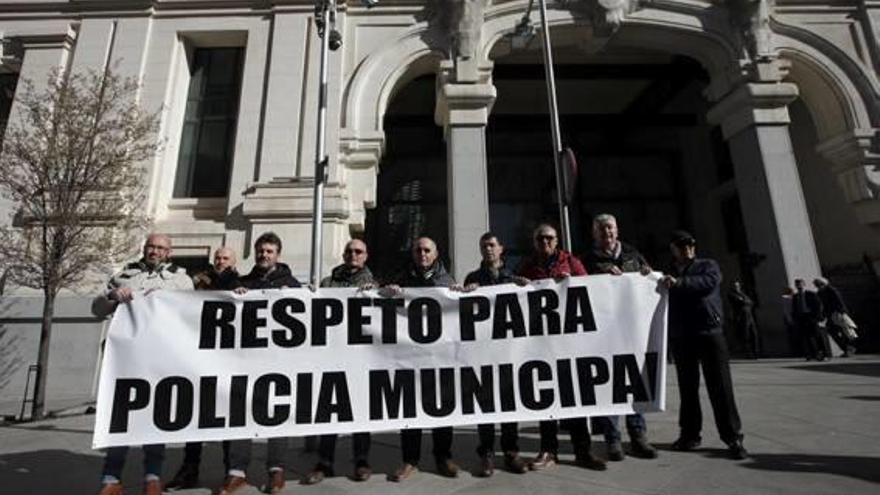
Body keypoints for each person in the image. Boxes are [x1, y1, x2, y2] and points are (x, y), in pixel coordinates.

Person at [92, 234, 195, 495]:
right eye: (151, 246)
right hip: (125, 361)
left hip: (160, 359)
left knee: (155, 419)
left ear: (169, 252)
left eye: (161, 248)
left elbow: (191, 315)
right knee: (120, 419)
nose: (155, 251)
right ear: (144, 248)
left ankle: (152, 477)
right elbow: (97, 309)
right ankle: (111, 478)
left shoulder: (181, 280)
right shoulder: (124, 275)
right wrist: (113, 296)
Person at [517, 224, 606, 471]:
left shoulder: (571, 262)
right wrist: (520, 285)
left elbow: (590, 288)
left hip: (570, 344)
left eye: (549, 237)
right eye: (540, 238)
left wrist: (572, 282)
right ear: (534, 242)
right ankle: (548, 450)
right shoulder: (527, 266)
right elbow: (514, 293)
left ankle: (583, 451)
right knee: (546, 400)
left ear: (556, 241)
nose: (545, 241)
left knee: (574, 397)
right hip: (542, 345)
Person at [221, 233, 300, 495]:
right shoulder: (242, 282)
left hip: (279, 363)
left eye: (269, 251)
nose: (264, 255)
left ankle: (276, 470)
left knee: (276, 414)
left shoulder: (291, 284)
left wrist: (302, 297)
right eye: (260, 251)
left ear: (278, 254)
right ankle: (237, 472)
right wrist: (236, 297)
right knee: (240, 412)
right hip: (245, 361)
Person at [661, 230, 747, 460]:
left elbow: (708, 283)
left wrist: (679, 283)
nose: (687, 249)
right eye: (681, 245)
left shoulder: (708, 265)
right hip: (683, 335)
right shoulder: (667, 271)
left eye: (690, 245)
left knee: (720, 387)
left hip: (709, 332)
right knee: (687, 389)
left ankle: (733, 437)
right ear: (673, 249)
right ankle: (689, 434)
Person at [582, 214, 658, 461]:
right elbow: (579, 290)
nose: (607, 232)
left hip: (632, 332)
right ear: (595, 234)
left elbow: (649, 279)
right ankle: (612, 440)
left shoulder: (632, 254)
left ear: (617, 229)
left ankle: (638, 437)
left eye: (610, 227)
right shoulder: (588, 259)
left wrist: (647, 275)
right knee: (609, 387)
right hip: (604, 334)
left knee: (634, 384)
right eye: (602, 229)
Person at [165, 247, 242, 491]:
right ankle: (189, 468)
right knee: (196, 415)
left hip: (230, 359)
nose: (220, 261)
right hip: (198, 358)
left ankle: (232, 470)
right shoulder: (196, 281)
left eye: (225, 258)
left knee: (231, 416)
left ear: (234, 262)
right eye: (218, 257)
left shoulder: (241, 282)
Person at [385, 236, 461, 482]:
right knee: (410, 408)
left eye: (427, 250)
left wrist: (463, 294)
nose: (422, 254)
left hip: (439, 356)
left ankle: (443, 456)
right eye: (418, 250)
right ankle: (410, 460)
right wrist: (389, 291)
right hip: (410, 356)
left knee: (441, 407)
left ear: (436, 254)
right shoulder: (402, 277)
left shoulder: (446, 281)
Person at [302, 239, 375, 485]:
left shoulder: (374, 284)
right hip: (332, 357)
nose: (353, 255)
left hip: (361, 358)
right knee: (328, 410)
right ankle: (325, 462)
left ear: (366, 256)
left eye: (358, 251)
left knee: (361, 411)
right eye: (349, 251)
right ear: (343, 255)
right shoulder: (328, 283)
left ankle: (362, 460)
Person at [462, 232, 529, 477]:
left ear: (501, 248)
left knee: (509, 404)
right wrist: (466, 293)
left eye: (492, 245)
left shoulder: (514, 277)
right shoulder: (473, 277)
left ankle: (511, 452)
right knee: (487, 404)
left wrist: (527, 288)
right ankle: (487, 453)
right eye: (483, 246)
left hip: (509, 352)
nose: (488, 249)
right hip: (484, 352)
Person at [814, 277, 857, 357]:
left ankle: (850, 348)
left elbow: (839, 301)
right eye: (816, 285)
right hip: (830, 315)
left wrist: (843, 312)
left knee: (846, 331)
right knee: (832, 331)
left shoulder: (831, 290)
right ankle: (846, 348)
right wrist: (822, 315)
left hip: (837, 313)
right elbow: (822, 305)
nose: (817, 286)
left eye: (818, 284)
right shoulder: (819, 293)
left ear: (823, 284)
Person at [792, 278, 828, 361]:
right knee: (806, 337)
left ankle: (823, 353)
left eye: (800, 284)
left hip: (811, 317)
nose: (798, 286)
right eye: (797, 284)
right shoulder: (795, 296)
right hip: (802, 317)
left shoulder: (811, 294)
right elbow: (794, 308)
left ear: (804, 284)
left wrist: (818, 317)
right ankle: (812, 354)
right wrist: (795, 318)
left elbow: (818, 305)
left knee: (817, 336)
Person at [728, 280, 760, 359]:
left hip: (749, 317)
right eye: (735, 286)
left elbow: (750, 302)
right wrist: (745, 301)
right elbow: (740, 302)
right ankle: (748, 353)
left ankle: (756, 352)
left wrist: (744, 301)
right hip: (741, 317)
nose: (737, 287)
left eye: (738, 286)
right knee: (746, 335)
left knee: (754, 334)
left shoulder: (743, 294)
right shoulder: (731, 294)